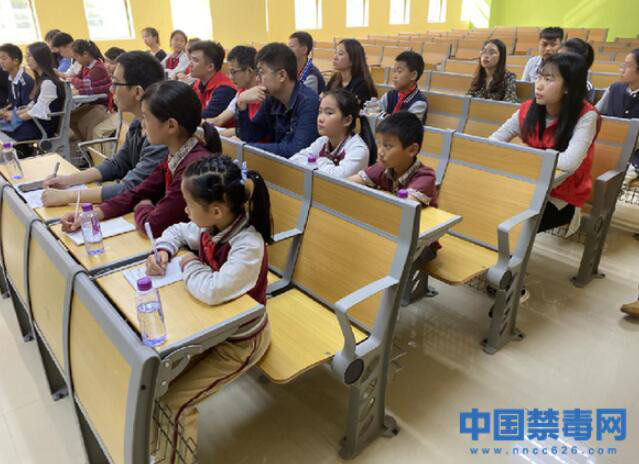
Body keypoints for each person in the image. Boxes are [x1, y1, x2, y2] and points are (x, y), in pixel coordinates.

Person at [146, 155, 271, 464]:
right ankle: (158, 451)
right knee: (157, 383)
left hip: (241, 343)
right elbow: (177, 231)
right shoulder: (212, 225)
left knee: (174, 403)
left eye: (190, 205)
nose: (185, 210)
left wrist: (188, 261)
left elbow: (212, 290)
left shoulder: (247, 245)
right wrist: (164, 250)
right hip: (214, 331)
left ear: (216, 210)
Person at [60, 80, 220, 236]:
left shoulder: (193, 167)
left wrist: (143, 206)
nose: (143, 124)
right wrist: (92, 214)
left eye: (147, 118)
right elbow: (138, 192)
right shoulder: (175, 154)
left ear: (171, 125)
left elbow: (154, 225)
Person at [490, 53, 601, 234]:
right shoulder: (528, 108)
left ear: (568, 86)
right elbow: (493, 141)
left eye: (548, 79)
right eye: (539, 76)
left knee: (510, 221)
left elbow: (569, 163)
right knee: (486, 203)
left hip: (560, 196)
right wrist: (530, 154)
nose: (539, 84)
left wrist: (525, 151)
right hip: (526, 183)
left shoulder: (586, 116)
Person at [42, 51, 168, 206]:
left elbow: (131, 189)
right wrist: (68, 180)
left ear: (137, 92)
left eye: (115, 83)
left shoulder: (161, 135)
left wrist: (69, 196)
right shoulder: (138, 122)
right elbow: (118, 164)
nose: (111, 89)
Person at [235, 42, 320, 158]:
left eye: (262, 72)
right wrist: (241, 104)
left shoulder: (309, 102)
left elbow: (296, 150)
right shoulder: (272, 98)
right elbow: (250, 136)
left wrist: (246, 147)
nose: (257, 79)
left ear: (282, 76)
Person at [349, 111, 437, 207]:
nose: (380, 152)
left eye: (387, 146)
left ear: (412, 150)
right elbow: (346, 184)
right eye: (379, 144)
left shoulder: (425, 177)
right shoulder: (382, 167)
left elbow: (404, 206)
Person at [290, 89, 371, 177]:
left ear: (347, 120)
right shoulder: (322, 141)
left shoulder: (358, 150)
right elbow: (295, 160)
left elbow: (336, 178)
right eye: (320, 112)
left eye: (329, 113)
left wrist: (318, 160)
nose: (320, 119)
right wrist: (316, 163)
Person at [0, 42, 64, 143]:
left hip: (40, 128)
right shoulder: (41, 80)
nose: (26, 59)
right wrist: (14, 115)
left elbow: (38, 110)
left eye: (29, 56)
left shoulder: (48, 82)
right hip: (36, 124)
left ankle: (13, 151)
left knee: (2, 131)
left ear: (40, 57)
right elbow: (33, 105)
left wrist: (15, 117)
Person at [596, 49, 639, 187]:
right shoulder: (614, 88)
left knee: (616, 183)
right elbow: (595, 113)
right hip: (605, 150)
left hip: (634, 158)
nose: (621, 70)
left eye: (627, 66)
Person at [205, 45, 260, 135]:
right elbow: (219, 120)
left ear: (249, 71)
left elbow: (252, 132)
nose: (230, 77)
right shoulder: (241, 92)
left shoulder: (263, 95)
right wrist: (199, 124)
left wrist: (216, 134)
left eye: (233, 72)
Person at [68, 39, 114, 141]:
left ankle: (88, 145)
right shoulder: (85, 67)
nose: (76, 61)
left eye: (76, 57)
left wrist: (74, 81)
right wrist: (77, 82)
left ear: (85, 54)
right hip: (92, 103)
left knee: (84, 123)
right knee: (71, 118)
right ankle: (84, 143)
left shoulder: (97, 68)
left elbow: (85, 85)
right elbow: (80, 81)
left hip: (103, 105)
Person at [189, 41, 236, 121]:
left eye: (195, 60)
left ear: (210, 67)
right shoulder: (197, 84)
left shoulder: (225, 90)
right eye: (190, 59)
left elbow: (203, 118)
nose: (190, 64)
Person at [378, 50, 428, 122]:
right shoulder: (389, 96)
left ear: (413, 75)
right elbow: (376, 112)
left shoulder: (419, 103)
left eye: (399, 71)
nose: (394, 76)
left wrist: (383, 115)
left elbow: (404, 125)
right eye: (394, 71)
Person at [326, 39, 377, 108]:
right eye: (335, 53)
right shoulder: (335, 78)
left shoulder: (362, 84)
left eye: (340, 54)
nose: (335, 57)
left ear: (353, 59)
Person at [467, 39, 518, 103]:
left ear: (501, 57)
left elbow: (510, 102)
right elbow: (468, 97)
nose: (486, 56)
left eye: (492, 52)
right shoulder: (478, 77)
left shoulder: (509, 77)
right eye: (484, 51)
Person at [0, 43, 35, 119]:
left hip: (24, 119)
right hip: (15, 115)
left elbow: (27, 108)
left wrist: (10, 114)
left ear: (16, 61)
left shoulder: (25, 82)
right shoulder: (10, 78)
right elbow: (12, 102)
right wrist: (4, 111)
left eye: (4, 58)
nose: (1, 62)